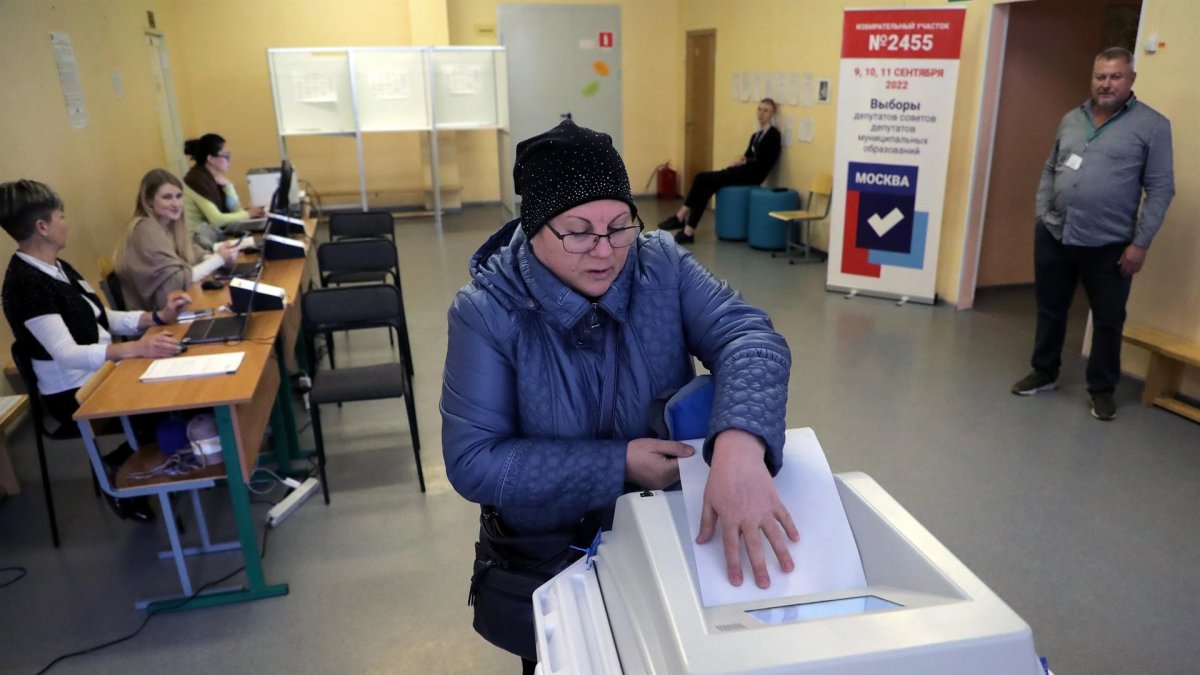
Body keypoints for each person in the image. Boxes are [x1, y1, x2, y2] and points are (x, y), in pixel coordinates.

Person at [442, 120, 796, 673]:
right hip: (550, 564)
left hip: (664, 548)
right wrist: (618, 463)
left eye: (619, 225)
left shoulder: (661, 264)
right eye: (579, 231)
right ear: (534, 230)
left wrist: (740, 445)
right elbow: (474, 462)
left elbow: (748, 336)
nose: (605, 251)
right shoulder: (487, 310)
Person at [0, 179, 190, 521]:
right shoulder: (24, 285)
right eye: (62, 217)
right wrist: (132, 350)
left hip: (102, 371)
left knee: (177, 392)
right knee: (167, 401)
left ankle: (149, 466)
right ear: (43, 227)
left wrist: (156, 316)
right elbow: (67, 353)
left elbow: (101, 316)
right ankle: (119, 469)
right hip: (72, 390)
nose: (66, 223)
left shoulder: (59, 266)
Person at [1011, 47, 1174, 421]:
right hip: (1055, 233)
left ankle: (1101, 389)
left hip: (1110, 244)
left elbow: (1162, 188)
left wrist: (1141, 242)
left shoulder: (1152, 126)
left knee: (1107, 318)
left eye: (1115, 76)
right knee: (1051, 309)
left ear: (1131, 80)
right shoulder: (1072, 119)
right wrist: (1041, 214)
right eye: (1100, 76)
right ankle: (1044, 371)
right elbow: (1051, 167)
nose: (1106, 83)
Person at [658, 98, 782, 244]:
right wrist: (740, 159)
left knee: (701, 177)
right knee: (707, 186)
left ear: (772, 114)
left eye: (766, 111)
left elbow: (763, 162)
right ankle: (688, 231)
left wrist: (745, 161)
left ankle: (680, 216)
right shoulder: (756, 135)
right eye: (759, 110)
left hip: (752, 176)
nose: (761, 114)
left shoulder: (773, 135)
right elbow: (748, 155)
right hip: (743, 171)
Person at [115, 169, 240, 311]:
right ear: (149, 200)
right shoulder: (145, 228)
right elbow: (175, 283)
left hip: (174, 309)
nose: (176, 204)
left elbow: (190, 251)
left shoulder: (168, 224)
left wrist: (210, 256)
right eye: (167, 197)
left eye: (179, 196)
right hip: (156, 321)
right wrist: (218, 260)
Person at [182, 133, 266, 250]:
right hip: (199, 244)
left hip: (213, 236)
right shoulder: (196, 181)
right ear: (210, 158)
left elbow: (235, 210)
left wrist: (229, 187)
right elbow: (217, 220)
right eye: (226, 156)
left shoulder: (211, 178)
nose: (229, 160)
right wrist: (248, 214)